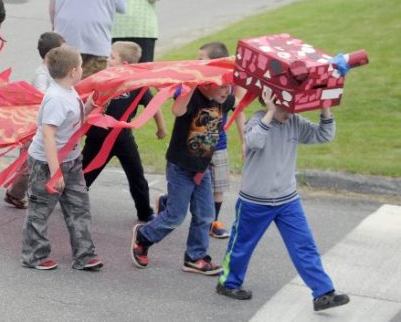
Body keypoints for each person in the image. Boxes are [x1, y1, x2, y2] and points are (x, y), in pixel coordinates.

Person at [216, 86, 350, 313]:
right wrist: (269, 113)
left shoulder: (294, 121)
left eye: (291, 106)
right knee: (241, 245)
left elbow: (323, 135)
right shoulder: (257, 121)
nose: (289, 112)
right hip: (255, 200)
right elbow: (254, 142)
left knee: (304, 245)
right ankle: (228, 283)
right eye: (283, 107)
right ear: (269, 102)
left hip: (288, 200)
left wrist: (325, 109)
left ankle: (323, 293)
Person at [130, 82, 234, 275]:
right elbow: (177, 110)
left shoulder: (224, 99)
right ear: (207, 85)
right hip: (181, 167)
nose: (229, 92)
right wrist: (192, 85)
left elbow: (242, 94)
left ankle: (195, 257)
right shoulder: (193, 96)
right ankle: (143, 237)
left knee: (205, 215)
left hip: (202, 169)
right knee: (175, 216)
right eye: (223, 87)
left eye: (230, 87)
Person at [20, 45, 102, 271]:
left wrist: (89, 107)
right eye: (82, 66)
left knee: (79, 207)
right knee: (40, 210)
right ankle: (34, 256)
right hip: (47, 163)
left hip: (71, 160)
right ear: (73, 71)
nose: (83, 69)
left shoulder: (68, 91)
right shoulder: (56, 98)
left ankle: (85, 255)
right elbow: (48, 135)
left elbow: (73, 123)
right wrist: (55, 172)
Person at [82, 41, 167, 221]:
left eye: (112, 57)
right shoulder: (104, 79)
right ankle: (70, 199)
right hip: (98, 136)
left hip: (122, 139)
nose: (108, 59)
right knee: (85, 172)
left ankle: (145, 212)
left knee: (136, 175)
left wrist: (161, 128)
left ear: (125, 65)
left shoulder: (137, 84)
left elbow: (152, 105)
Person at [4, 31, 65, 209]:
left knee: (36, 162)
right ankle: (16, 193)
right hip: (36, 127)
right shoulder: (42, 75)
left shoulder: (53, 73)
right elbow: (40, 99)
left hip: (45, 126)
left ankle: (17, 193)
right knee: (30, 163)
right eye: (61, 50)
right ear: (49, 55)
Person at [197, 42, 245, 239]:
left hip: (219, 143)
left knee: (219, 187)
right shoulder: (197, 82)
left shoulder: (228, 85)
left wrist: (245, 141)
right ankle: (166, 202)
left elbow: (239, 111)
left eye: (200, 58)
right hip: (197, 145)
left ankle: (212, 222)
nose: (196, 62)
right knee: (191, 186)